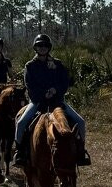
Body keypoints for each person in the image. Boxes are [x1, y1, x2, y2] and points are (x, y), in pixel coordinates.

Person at [12, 34, 90, 168]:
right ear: (35, 48)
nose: (42, 48)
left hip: (57, 102)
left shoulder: (58, 64)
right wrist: (43, 95)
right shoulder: (30, 66)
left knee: (80, 122)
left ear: (49, 48)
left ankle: (81, 152)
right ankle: (20, 152)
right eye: (39, 46)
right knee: (21, 122)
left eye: (45, 46)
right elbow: (30, 85)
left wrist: (55, 90)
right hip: (37, 102)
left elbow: (64, 82)